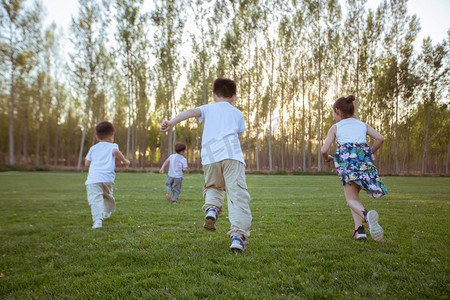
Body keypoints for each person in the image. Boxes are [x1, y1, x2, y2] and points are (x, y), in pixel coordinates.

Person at [160, 78, 251, 252]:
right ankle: (238, 237)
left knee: (213, 186)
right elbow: (239, 138)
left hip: (210, 156)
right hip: (232, 155)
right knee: (237, 194)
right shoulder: (238, 113)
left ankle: (211, 208)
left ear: (214, 95)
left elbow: (190, 112)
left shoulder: (208, 108)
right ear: (234, 97)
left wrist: (171, 122)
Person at [321, 95, 388, 241]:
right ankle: (359, 231)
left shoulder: (336, 127)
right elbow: (380, 138)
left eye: (333, 113)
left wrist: (328, 159)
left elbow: (323, 150)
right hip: (364, 164)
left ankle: (366, 216)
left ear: (337, 110)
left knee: (350, 200)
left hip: (347, 166)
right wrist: (368, 152)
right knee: (355, 197)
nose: (333, 116)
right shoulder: (362, 125)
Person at [85, 121, 130, 229]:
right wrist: (125, 161)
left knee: (95, 200)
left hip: (93, 179)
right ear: (111, 136)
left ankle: (97, 221)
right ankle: (107, 212)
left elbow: (87, 163)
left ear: (97, 137)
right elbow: (115, 152)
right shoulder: (113, 145)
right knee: (108, 196)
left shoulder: (93, 148)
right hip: (107, 178)